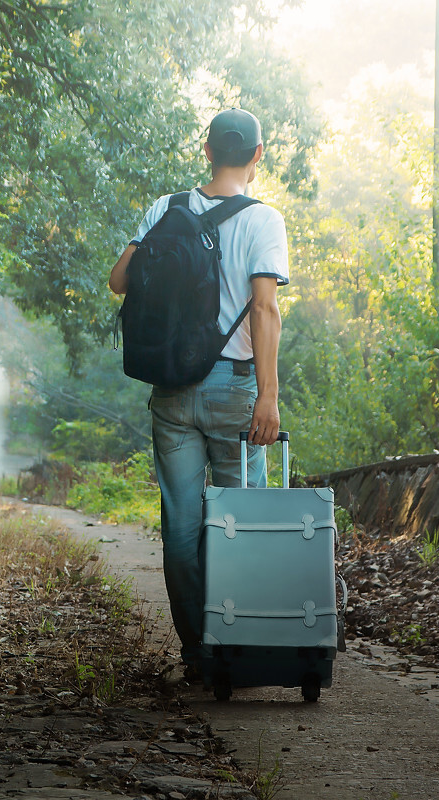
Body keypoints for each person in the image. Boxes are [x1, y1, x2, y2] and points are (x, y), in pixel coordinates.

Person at [108, 107, 288, 679]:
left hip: (172, 392)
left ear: (206, 150)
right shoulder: (265, 221)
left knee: (181, 528)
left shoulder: (166, 209)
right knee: (241, 522)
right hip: (235, 391)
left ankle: (198, 655)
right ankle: (240, 647)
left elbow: (119, 281)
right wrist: (268, 396)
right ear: (257, 155)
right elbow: (264, 308)